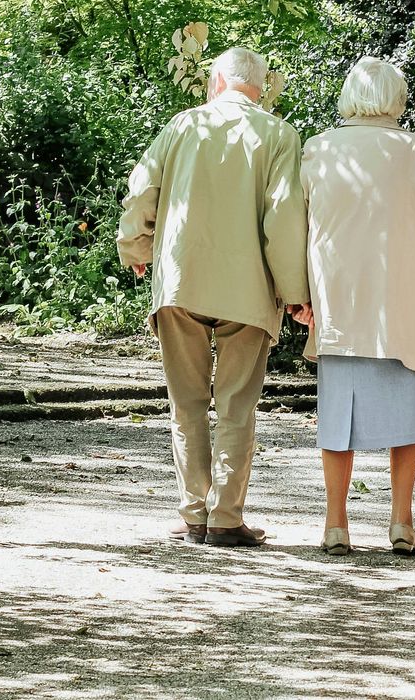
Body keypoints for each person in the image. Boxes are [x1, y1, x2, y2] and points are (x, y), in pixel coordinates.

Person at [117, 47, 310, 548]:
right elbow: (284, 218)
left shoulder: (182, 126)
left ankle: (193, 514)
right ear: (261, 87)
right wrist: (295, 292)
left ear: (217, 80)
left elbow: (142, 192)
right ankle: (225, 518)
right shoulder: (279, 135)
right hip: (248, 289)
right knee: (236, 405)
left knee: (186, 403)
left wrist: (135, 246)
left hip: (182, 280)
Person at [295, 57, 415, 556]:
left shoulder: (318, 150)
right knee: (404, 417)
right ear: (398, 99)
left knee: (336, 418)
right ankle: (400, 521)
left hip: (340, 304)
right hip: (402, 305)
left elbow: (296, 231)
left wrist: (299, 296)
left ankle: (335, 524)